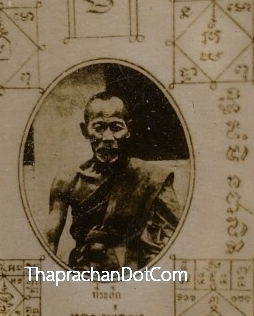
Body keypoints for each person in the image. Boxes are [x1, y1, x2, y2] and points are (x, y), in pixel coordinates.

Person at [45, 91, 182, 270]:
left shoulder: (151, 178)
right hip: (83, 271)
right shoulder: (68, 180)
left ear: (129, 130)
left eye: (116, 127)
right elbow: (49, 242)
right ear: (85, 131)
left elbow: (173, 239)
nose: (108, 137)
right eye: (99, 127)